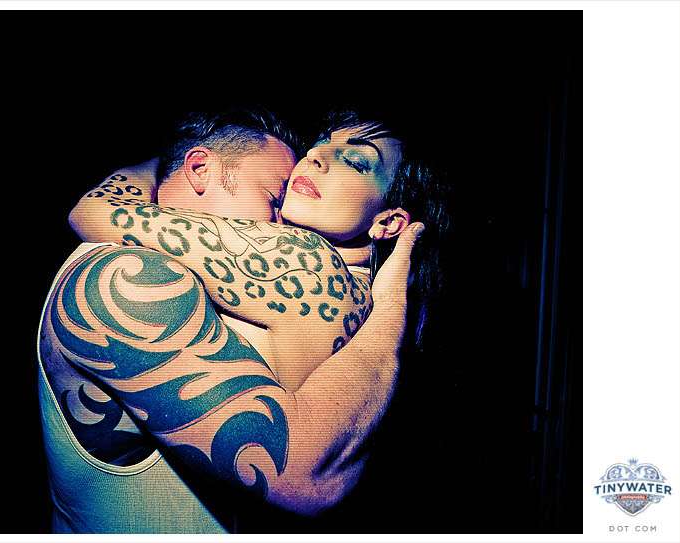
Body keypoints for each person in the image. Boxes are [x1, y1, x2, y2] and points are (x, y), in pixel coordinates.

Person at [38, 108, 428, 533]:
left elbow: (96, 210)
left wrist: (153, 168)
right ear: (199, 168)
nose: (282, 225)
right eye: (274, 199)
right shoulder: (131, 277)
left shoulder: (301, 273)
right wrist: (391, 302)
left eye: (353, 160)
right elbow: (308, 474)